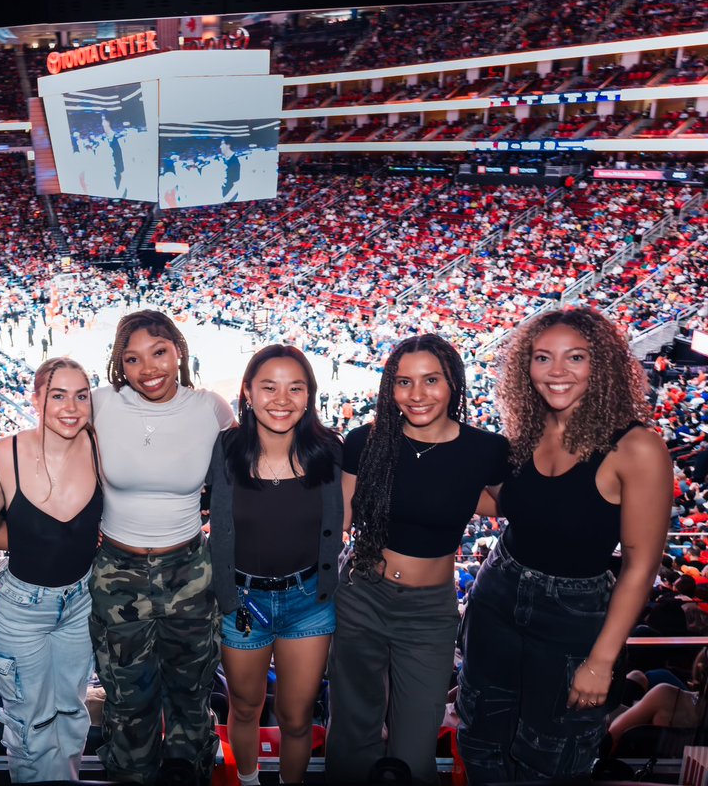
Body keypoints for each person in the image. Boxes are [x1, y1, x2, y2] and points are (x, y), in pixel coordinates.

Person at [457, 307, 672, 783]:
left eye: (574, 357)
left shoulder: (637, 448)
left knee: (551, 755)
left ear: (602, 365)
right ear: (524, 367)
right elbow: (506, 502)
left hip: (573, 615)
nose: (556, 372)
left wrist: (601, 660)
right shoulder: (527, 434)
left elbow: (640, 565)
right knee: (481, 739)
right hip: (497, 593)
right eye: (542, 357)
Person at [325, 334, 509, 785]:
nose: (417, 394)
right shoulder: (363, 441)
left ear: (453, 383)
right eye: (404, 382)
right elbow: (338, 521)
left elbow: (505, 505)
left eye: (431, 380)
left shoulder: (486, 449)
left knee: (416, 743)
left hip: (429, 610)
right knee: (351, 733)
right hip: (362, 594)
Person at [91, 310, 234, 784]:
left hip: (189, 569)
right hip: (117, 570)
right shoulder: (99, 404)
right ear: (120, 364)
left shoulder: (211, 408)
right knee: (126, 696)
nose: (148, 368)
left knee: (192, 692)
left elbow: (245, 475)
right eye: (132, 359)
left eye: (158, 353)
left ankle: (189, 772)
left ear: (178, 351)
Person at [206, 345, 343, 785]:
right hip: (244, 604)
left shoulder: (329, 451)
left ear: (309, 396)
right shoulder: (225, 450)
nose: (281, 399)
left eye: (295, 388)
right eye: (269, 387)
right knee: (245, 706)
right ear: (247, 392)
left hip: (308, 603)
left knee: (297, 716)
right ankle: (246, 781)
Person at [0, 357, 102, 783]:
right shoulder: (3, 453)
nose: (71, 407)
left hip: (80, 602)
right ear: (36, 400)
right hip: (20, 609)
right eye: (58, 395)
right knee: (31, 723)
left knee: (70, 713)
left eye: (81, 395)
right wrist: (47, 537)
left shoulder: (101, 448)